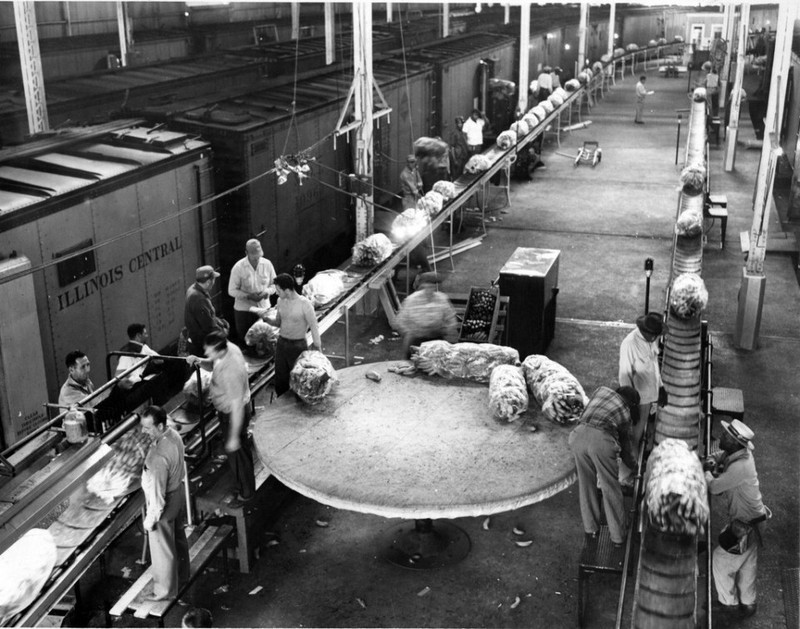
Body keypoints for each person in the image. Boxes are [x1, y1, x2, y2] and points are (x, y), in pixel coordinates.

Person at [705, 419, 767, 619]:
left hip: (745, 524)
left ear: (734, 442)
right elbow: (719, 456)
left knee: (721, 559)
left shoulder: (741, 467)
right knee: (747, 560)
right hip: (755, 520)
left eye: (725, 436)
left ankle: (728, 605)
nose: (720, 437)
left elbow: (714, 488)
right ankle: (748, 603)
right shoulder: (738, 454)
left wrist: (706, 470)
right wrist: (713, 460)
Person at [188, 331, 255, 508]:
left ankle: (245, 495)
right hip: (229, 410)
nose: (207, 354)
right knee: (240, 455)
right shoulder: (227, 348)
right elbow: (212, 364)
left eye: (209, 352)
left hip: (233, 415)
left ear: (219, 350)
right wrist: (199, 361)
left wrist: (232, 437)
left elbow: (237, 408)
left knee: (238, 455)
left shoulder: (231, 371)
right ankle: (244, 486)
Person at [568, 386, 641, 546]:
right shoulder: (625, 411)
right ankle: (618, 537)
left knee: (586, 485)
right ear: (632, 404)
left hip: (577, 436)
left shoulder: (601, 390)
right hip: (600, 441)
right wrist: (636, 468)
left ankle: (591, 530)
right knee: (610, 488)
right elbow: (627, 450)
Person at [139, 405, 190, 601]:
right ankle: (183, 576)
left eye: (148, 428)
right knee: (177, 538)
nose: (144, 432)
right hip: (177, 494)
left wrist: (150, 520)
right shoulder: (174, 435)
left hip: (165, 503)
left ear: (160, 426)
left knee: (162, 550)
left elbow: (158, 496)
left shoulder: (157, 457)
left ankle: (164, 591)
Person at [618, 311, 668, 484]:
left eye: (656, 335)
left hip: (649, 397)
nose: (654, 338)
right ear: (643, 330)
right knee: (632, 437)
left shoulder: (652, 339)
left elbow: (653, 364)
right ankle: (625, 476)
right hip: (637, 400)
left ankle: (636, 463)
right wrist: (630, 406)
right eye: (652, 335)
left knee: (640, 434)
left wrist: (661, 387)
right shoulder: (629, 344)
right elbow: (624, 375)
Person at [261, 273, 322, 397]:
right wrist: (267, 319)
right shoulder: (280, 301)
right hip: (282, 344)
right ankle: (281, 409)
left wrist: (318, 348)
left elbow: (314, 326)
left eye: (278, 290)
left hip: (298, 346)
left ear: (287, 290)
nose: (276, 293)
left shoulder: (305, 304)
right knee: (281, 381)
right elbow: (278, 322)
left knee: (299, 380)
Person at [395, 272, 458, 359]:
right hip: (416, 340)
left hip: (436, 340)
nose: (430, 290)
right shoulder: (412, 300)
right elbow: (400, 321)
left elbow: (451, 319)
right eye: (427, 286)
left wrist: (447, 330)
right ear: (423, 286)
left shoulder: (442, 299)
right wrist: (410, 332)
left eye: (432, 287)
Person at [228, 239, 276, 344]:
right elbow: (231, 291)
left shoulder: (267, 264)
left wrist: (267, 291)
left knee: (265, 341)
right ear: (246, 253)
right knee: (245, 342)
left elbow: (275, 285)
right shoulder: (238, 268)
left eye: (258, 256)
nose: (257, 259)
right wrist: (248, 296)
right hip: (245, 312)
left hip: (263, 309)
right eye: (254, 256)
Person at [114, 323, 165, 410]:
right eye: (145, 334)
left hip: (141, 383)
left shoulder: (143, 347)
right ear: (138, 336)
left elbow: (160, 360)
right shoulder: (126, 354)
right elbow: (118, 376)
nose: (147, 336)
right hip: (134, 389)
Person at [184, 265, 228, 358]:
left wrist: (220, 322)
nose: (214, 282)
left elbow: (209, 317)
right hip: (202, 346)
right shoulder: (198, 298)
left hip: (198, 341)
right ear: (208, 282)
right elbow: (208, 326)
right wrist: (223, 332)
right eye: (213, 279)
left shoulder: (194, 288)